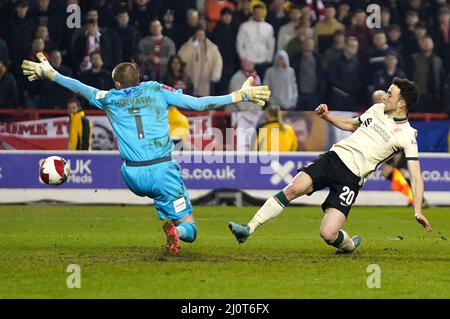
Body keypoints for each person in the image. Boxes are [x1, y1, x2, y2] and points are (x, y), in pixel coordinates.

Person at [22, 52, 270, 256]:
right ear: (138, 79)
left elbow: (80, 87)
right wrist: (239, 95)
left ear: (117, 84)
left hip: (131, 175)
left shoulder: (109, 98)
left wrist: (51, 73)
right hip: (161, 169)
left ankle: (169, 216)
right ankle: (177, 232)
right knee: (190, 228)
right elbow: (199, 104)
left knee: (159, 194)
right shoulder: (156, 90)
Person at [229, 78, 432, 254]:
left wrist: (417, 209)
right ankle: (248, 228)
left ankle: (350, 245)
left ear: (401, 103)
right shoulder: (377, 109)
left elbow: (415, 176)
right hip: (333, 158)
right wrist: (327, 117)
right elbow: (353, 124)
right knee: (294, 188)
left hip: (351, 180)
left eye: (390, 94)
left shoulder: (407, 135)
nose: (384, 97)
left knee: (328, 233)